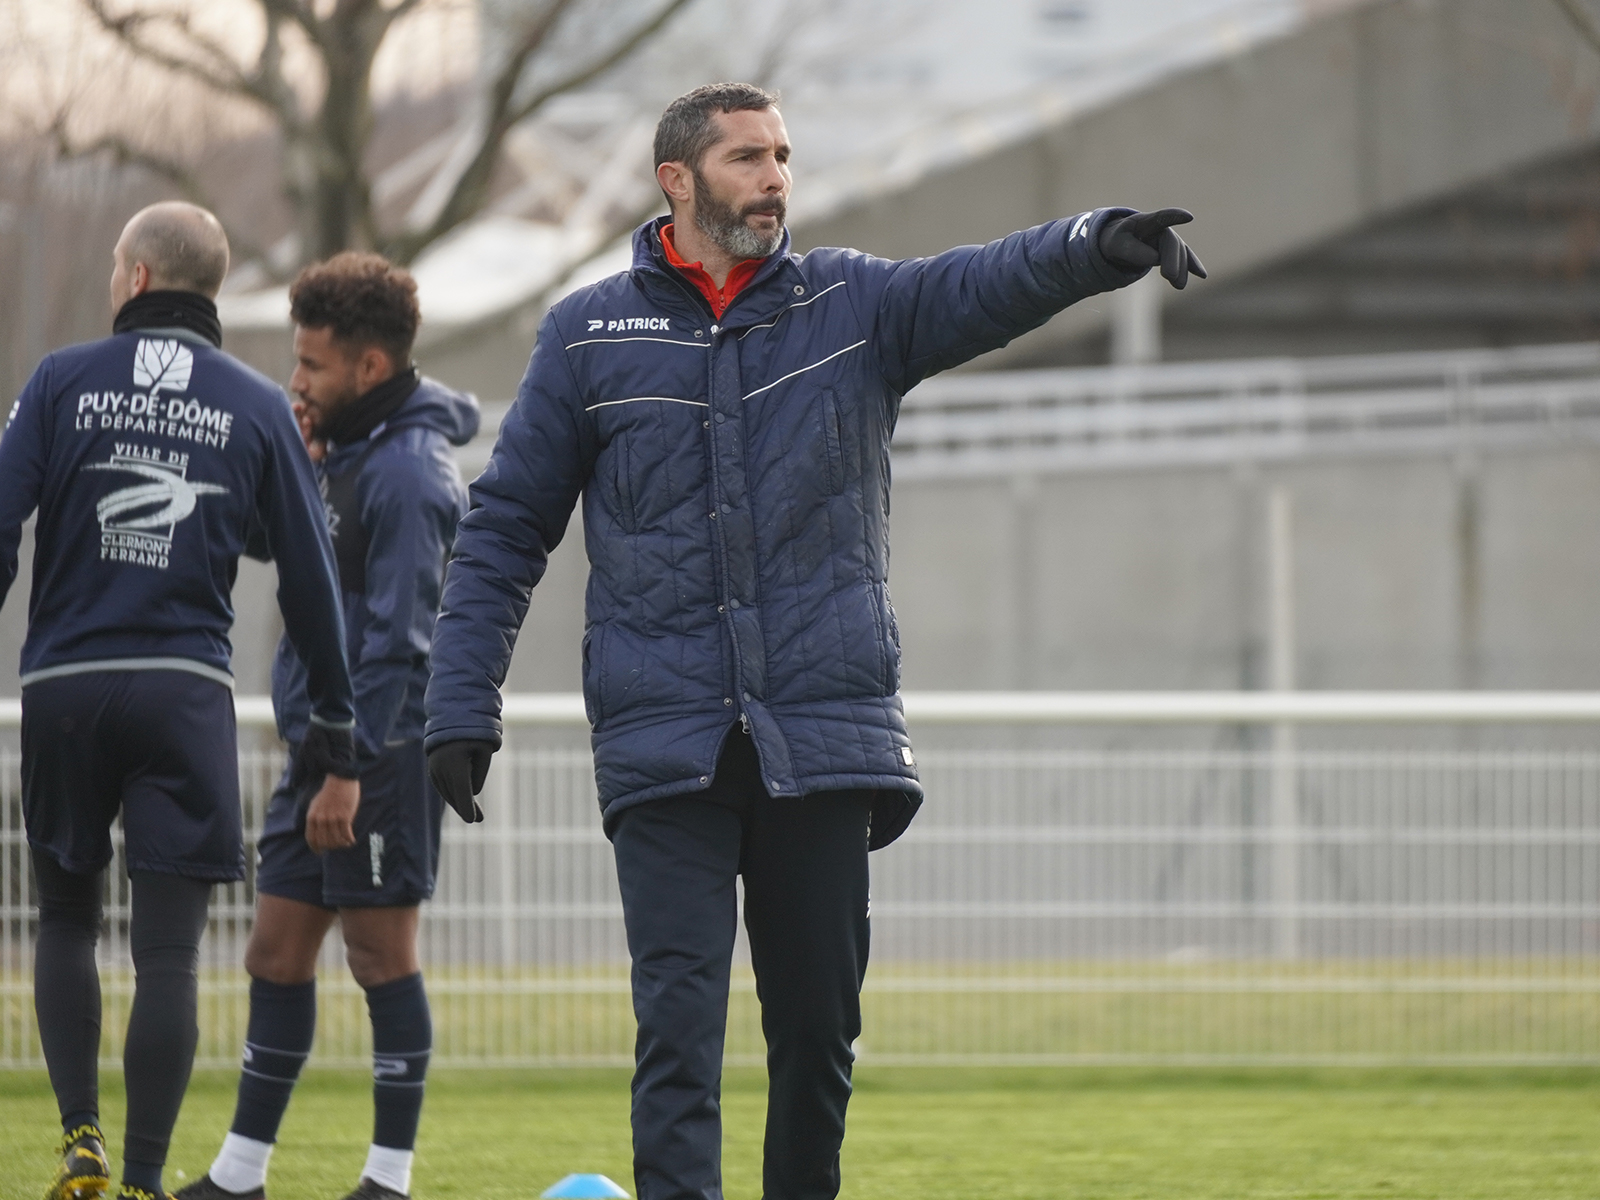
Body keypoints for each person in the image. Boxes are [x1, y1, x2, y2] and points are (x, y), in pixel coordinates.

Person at [423, 82, 1206, 1200]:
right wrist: (460, 702)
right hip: (666, 745)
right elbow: (504, 528)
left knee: (817, 1034)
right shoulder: (587, 334)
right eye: (747, 157)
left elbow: (980, 281)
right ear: (677, 180)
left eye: (783, 156)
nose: (775, 179)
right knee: (678, 1029)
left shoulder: (853, 303)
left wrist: (1094, 245)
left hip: (824, 737)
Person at [0, 202, 359, 1200]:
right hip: (185, 691)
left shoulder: (59, 380)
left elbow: (0, 522)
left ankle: (81, 1141)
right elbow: (308, 578)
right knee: (168, 950)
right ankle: (146, 1180)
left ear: (137, 277)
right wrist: (334, 727)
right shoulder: (255, 404)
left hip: (66, 686)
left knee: (66, 919)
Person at [176, 253, 478, 1200]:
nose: (295, 380)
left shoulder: (411, 476)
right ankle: (240, 1177)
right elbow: (277, 547)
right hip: (319, 748)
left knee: (379, 955)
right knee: (273, 951)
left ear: (369, 367)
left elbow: (401, 644)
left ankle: (389, 1181)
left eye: (311, 364)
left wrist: (348, 766)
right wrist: (299, 471)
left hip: (379, 754)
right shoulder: (343, 452)